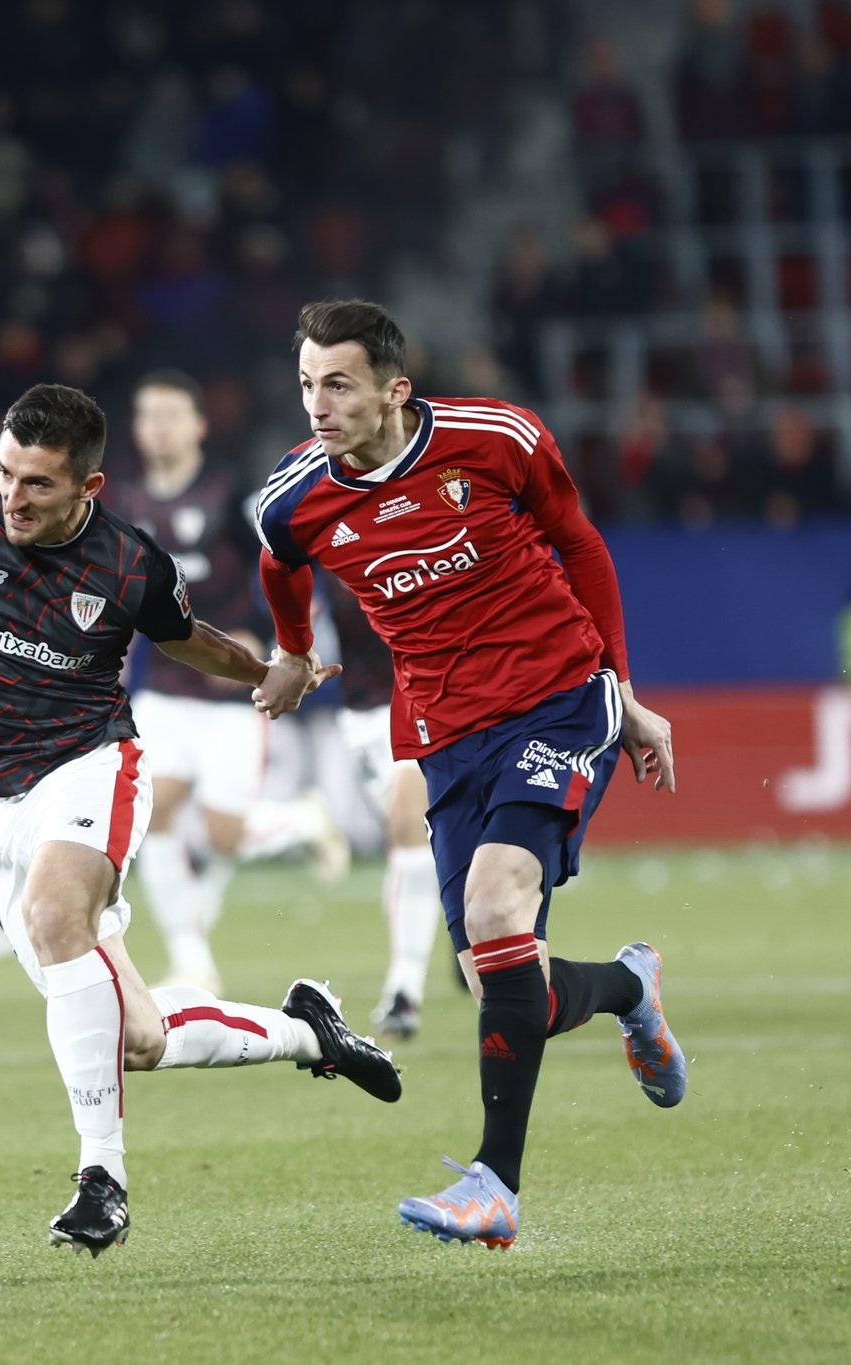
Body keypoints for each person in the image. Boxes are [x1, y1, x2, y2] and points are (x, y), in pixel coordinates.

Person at [0, 383, 401, 1258]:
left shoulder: (130, 563)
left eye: (37, 484)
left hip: (90, 763)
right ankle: (311, 1029)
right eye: (7, 474)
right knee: (135, 1037)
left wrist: (266, 669)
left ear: (89, 486)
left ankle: (101, 1180)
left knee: (54, 913)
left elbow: (187, 638)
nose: (12, 497)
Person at [251, 300, 685, 1249]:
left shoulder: (498, 439)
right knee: (496, 983)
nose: (318, 405)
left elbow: (581, 544)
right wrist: (290, 650)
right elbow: (279, 564)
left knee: (494, 909)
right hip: (446, 732)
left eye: (339, 384)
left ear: (394, 391)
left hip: (558, 697)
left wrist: (623, 690)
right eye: (306, 384)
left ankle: (496, 1187)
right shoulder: (292, 496)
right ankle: (625, 987)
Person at [107, 369, 350, 993]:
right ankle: (193, 961)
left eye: (170, 415)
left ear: (198, 425)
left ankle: (301, 821)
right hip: (163, 687)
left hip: (230, 690)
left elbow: (288, 565)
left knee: (223, 836)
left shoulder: (230, 491)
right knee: (153, 816)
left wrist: (278, 647)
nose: (158, 427)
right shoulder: (126, 503)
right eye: (148, 416)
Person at [321, 574, 446, 1039]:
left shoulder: (410, 527)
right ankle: (466, 931)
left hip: (427, 699)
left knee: (407, 825)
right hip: (363, 713)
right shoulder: (317, 545)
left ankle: (404, 990)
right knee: (427, 842)